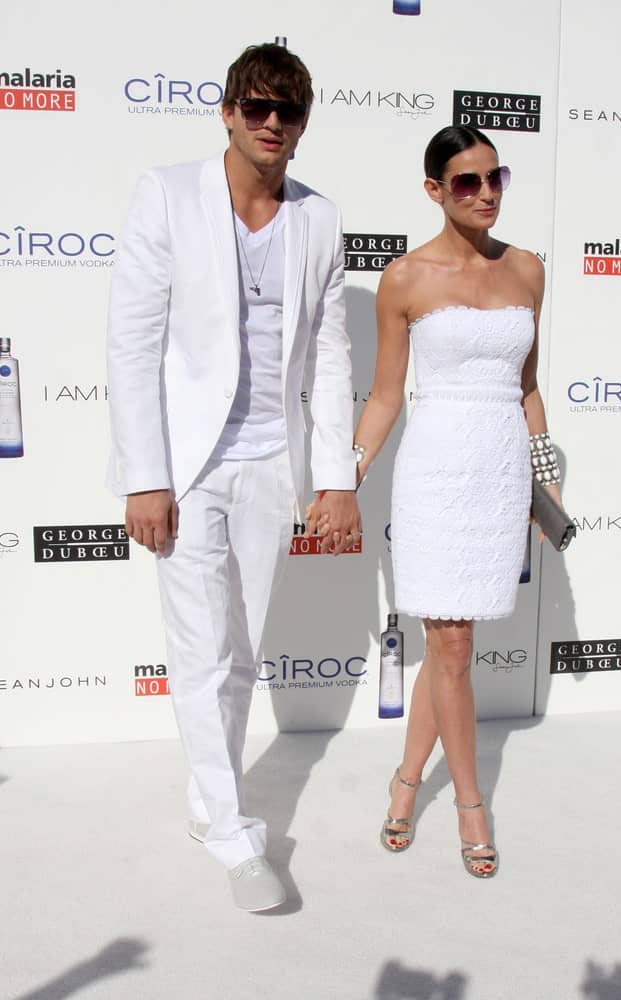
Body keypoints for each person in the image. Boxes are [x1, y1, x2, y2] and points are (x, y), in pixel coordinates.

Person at [106, 42, 361, 912]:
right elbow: (133, 344)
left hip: (268, 458)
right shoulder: (168, 194)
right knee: (196, 649)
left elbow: (329, 356)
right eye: (255, 106)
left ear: (303, 120)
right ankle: (231, 831)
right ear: (226, 111)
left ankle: (204, 803)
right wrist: (145, 475)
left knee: (242, 652)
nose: (271, 123)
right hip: (184, 462)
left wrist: (336, 477)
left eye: (287, 110)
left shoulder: (318, 219)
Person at [310, 124, 563, 878]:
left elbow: (526, 387)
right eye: (465, 182)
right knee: (451, 649)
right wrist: (343, 478)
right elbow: (386, 396)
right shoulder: (405, 277)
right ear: (434, 191)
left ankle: (402, 783)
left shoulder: (526, 270)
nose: (484, 194)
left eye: (494, 178)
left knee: (452, 652)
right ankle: (469, 805)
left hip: (499, 477)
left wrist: (545, 482)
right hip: (434, 479)